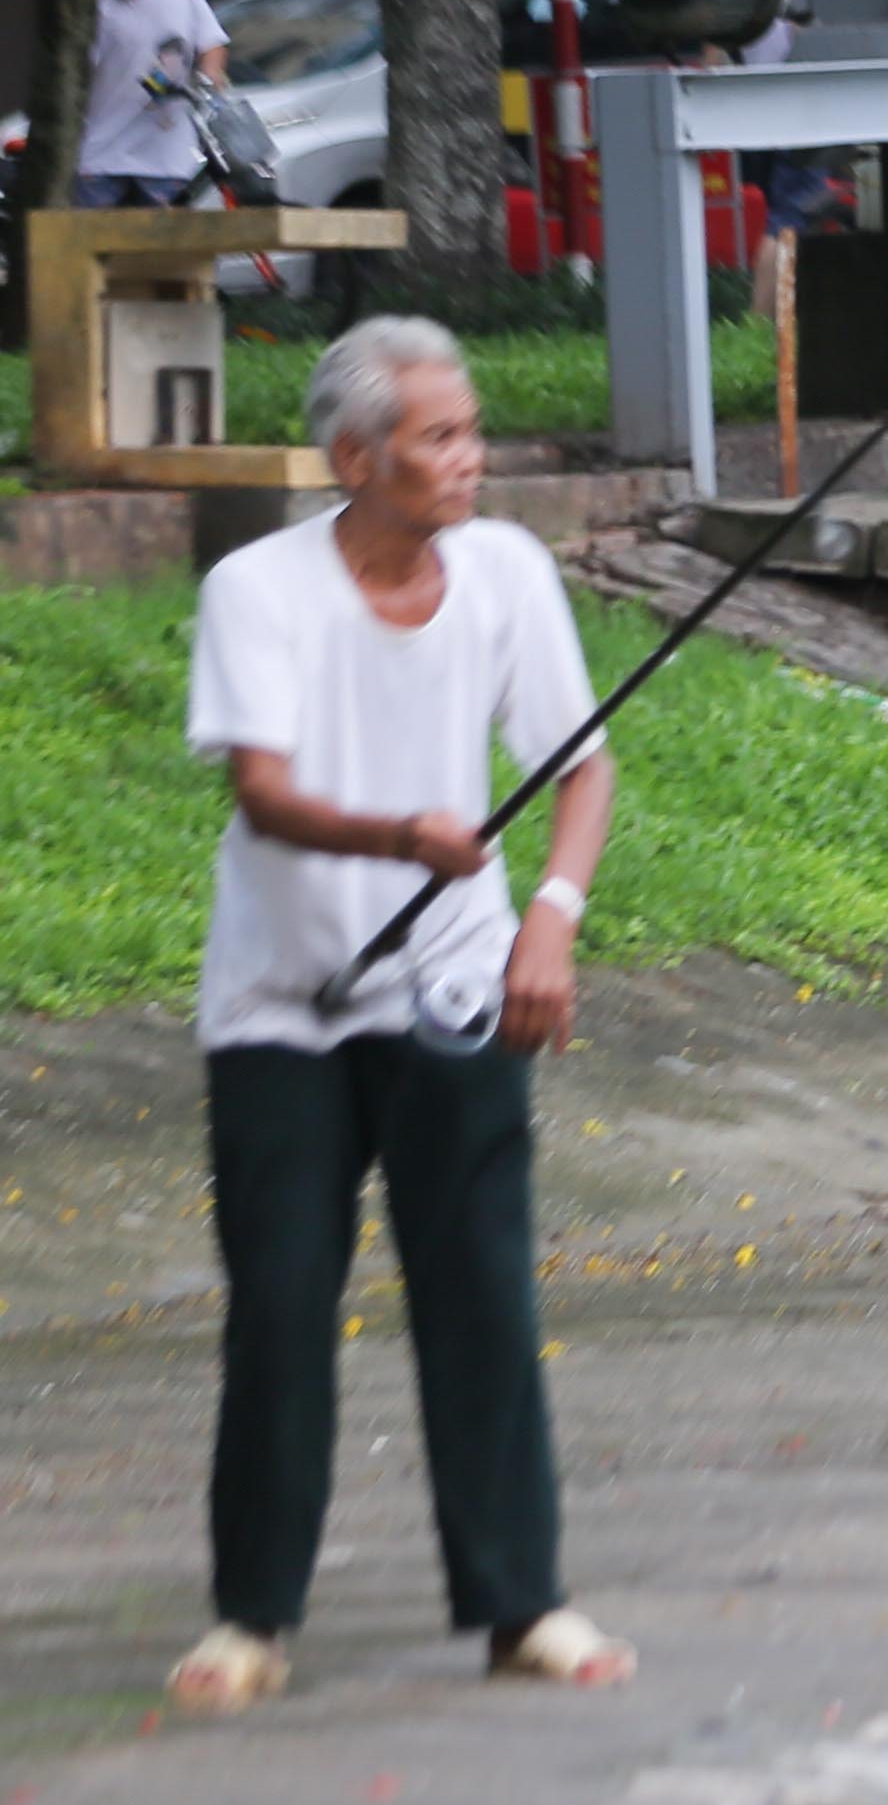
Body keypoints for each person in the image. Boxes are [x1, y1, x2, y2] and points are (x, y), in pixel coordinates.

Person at [167, 315, 633, 1712]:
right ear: (354, 456)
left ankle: (520, 1604)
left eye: (471, 431)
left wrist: (546, 919)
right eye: (439, 438)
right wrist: (400, 839)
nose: (469, 459)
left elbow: (581, 769)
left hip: (456, 990)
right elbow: (262, 790)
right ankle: (251, 1618)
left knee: (481, 1291)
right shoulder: (260, 590)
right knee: (283, 1304)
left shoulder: (505, 573)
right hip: (280, 1005)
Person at [80, 0, 231, 207]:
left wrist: (210, 73)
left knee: (164, 251)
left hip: (165, 156)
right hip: (102, 155)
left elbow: (211, 42)